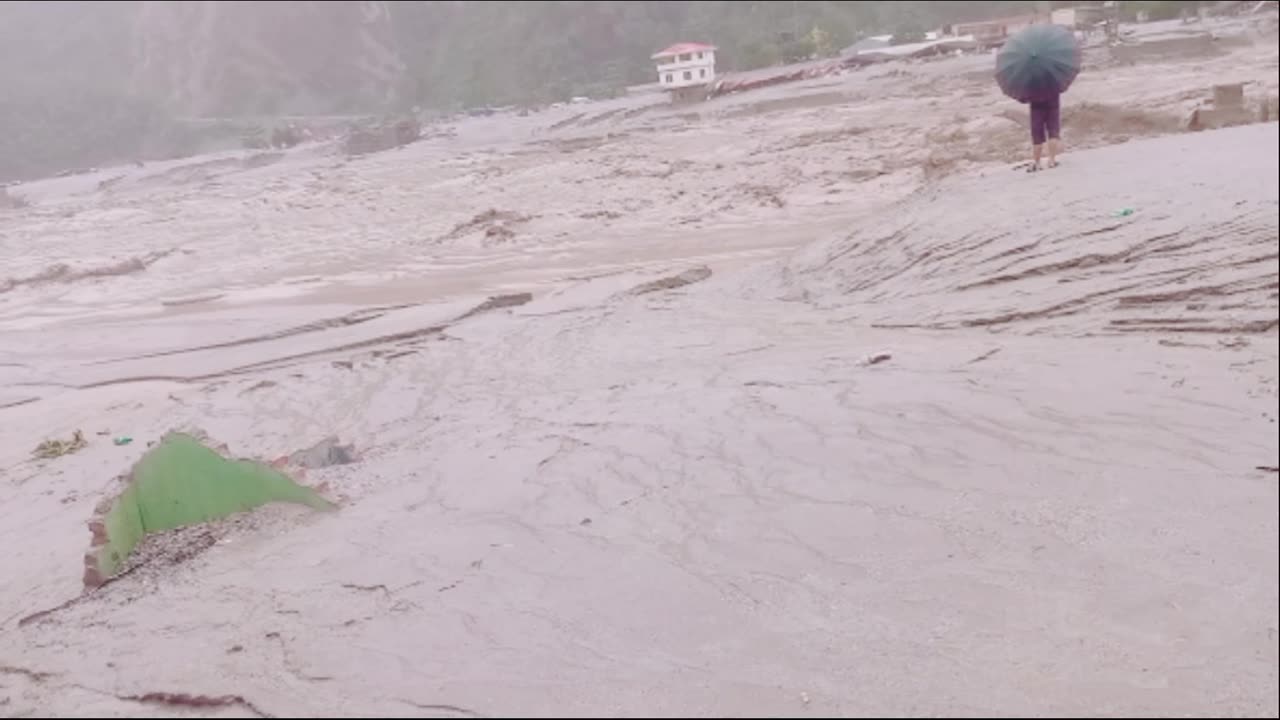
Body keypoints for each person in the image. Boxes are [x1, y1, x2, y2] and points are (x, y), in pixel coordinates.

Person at [1028, 92, 1062, 172]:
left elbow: (1024, 96)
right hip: (1053, 101)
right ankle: (1052, 160)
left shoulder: (1030, 81)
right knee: (1053, 131)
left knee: (1037, 133)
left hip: (1036, 103)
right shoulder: (1055, 80)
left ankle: (1037, 162)